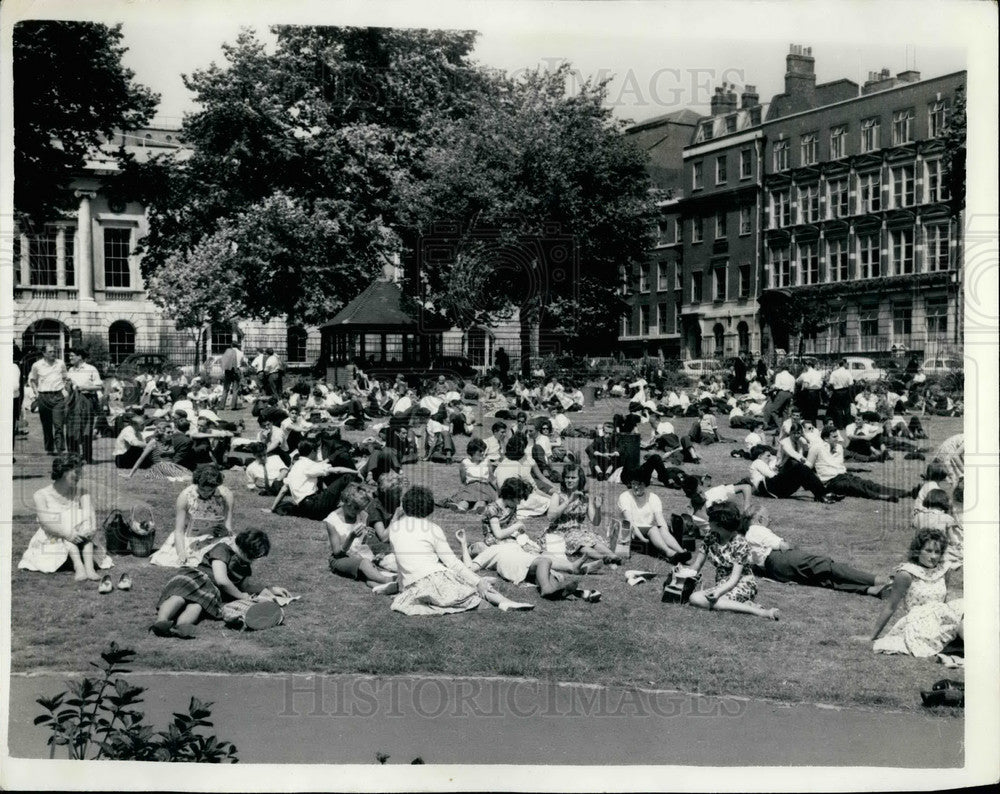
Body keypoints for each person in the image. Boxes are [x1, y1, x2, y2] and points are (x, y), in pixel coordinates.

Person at [388, 486, 533, 615]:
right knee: (474, 593)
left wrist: (402, 588)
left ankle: (500, 599)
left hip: (413, 587)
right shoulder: (432, 529)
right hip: (435, 580)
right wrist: (478, 581)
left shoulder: (394, 528)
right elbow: (453, 563)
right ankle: (504, 601)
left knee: (466, 586)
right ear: (428, 507)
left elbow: (400, 563)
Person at [455, 479, 602, 601]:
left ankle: (571, 574)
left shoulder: (510, 507)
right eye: (518, 499)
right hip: (496, 543)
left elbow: (512, 526)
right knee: (540, 559)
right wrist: (517, 527)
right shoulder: (492, 509)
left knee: (542, 554)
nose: (519, 503)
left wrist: (519, 532)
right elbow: (498, 534)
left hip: (511, 542)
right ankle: (572, 570)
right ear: (510, 496)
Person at [151, 529, 286, 639]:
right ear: (245, 548)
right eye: (253, 556)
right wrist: (241, 596)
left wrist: (268, 589)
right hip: (195, 578)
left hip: (209, 591)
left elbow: (246, 587)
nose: (253, 560)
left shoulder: (245, 566)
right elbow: (221, 580)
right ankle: (161, 622)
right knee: (178, 597)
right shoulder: (222, 550)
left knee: (197, 606)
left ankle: (182, 626)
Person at [870, 527, 963, 658]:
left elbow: (943, 600)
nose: (933, 556)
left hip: (939, 618)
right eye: (928, 551)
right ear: (918, 550)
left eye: (937, 552)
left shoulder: (943, 570)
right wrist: (872, 636)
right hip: (918, 622)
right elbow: (890, 606)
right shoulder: (906, 573)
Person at [743, 513, 888, 596]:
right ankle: (877, 580)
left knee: (821, 580)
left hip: (775, 572)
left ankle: (871, 590)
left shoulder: (746, 539)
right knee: (827, 566)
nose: (771, 520)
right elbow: (783, 546)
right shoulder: (756, 529)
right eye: (768, 517)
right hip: (780, 558)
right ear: (760, 519)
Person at [19, 453, 113, 579]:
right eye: (77, 472)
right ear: (64, 471)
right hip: (53, 537)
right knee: (66, 523)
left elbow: (90, 515)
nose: (80, 476)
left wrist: (88, 530)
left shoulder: (83, 493)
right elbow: (45, 522)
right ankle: (79, 567)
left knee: (79, 521)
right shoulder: (41, 495)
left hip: (82, 538)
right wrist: (68, 534)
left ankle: (89, 569)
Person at [686, 502, 780, 621]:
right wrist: (684, 573)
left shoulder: (740, 543)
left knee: (697, 598)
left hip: (741, 583)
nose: (708, 522)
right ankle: (745, 605)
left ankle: (760, 612)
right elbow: (697, 564)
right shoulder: (710, 536)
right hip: (722, 584)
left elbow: (734, 578)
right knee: (698, 598)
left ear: (719, 524)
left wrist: (718, 592)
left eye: (710, 520)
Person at [150, 463, 234, 567]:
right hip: (190, 537)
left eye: (210, 490)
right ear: (197, 483)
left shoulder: (226, 495)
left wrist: (225, 531)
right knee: (179, 556)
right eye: (202, 489)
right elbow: (179, 530)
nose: (206, 493)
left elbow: (228, 526)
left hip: (215, 536)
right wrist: (181, 553)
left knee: (233, 545)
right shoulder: (186, 496)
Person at [805, 426, 910, 502]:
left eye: (837, 436)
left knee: (868, 483)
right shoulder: (816, 448)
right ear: (825, 439)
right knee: (857, 487)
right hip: (831, 482)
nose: (837, 439)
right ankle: (882, 497)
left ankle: (905, 493)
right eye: (834, 437)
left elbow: (846, 460)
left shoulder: (839, 448)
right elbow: (807, 467)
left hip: (844, 476)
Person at [325, 482, 398, 590]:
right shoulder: (332, 520)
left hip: (357, 555)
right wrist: (351, 537)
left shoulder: (362, 515)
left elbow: (362, 541)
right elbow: (337, 552)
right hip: (340, 559)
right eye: (356, 508)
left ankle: (381, 588)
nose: (358, 512)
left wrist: (369, 542)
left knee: (369, 571)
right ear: (346, 502)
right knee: (364, 563)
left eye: (361, 508)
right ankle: (389, 580)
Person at [545, 464, 619, 564]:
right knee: (581, 544)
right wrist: (569, 500)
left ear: (580, 479)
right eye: (567, 477)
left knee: (593, 540)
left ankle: (613, 556)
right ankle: (603, 558)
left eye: (573, 477)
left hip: (578, 530)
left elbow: (595, 522)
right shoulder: (558, 495)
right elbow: (551, 517)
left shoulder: (585, 497)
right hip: (560, 532)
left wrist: (598, 508)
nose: (569, 480)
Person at [616, 473, 690, 562]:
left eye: (639, 484)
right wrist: (642, 539)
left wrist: (665, 531)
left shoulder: (653, 497)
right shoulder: (625, 496)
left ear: (645, 484)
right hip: (630, 530)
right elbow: (629, 521)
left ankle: (681, 552)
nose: (636, 487)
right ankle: (669, 553)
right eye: (633, 484)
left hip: (648, 529)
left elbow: (660, 519)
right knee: (654, 529)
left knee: (662, 529)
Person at [27, 343, 68, 454]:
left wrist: (64, 389)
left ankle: (60, 449)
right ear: (44, 353)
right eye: (50, 352)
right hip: (43, 397)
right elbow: (32, 379)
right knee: (46, 425)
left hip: (58, 396)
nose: (53, 354)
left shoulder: (60, 363)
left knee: (58, 424)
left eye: (54, 351)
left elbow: (65, 377)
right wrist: (36, 393)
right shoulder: (37, 365)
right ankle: (49, 448)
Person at [442, 438, 497, 512]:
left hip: (484, 486)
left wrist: (498, 491)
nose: (482, 453)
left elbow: (492, 479)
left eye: (483, 450)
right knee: (465, 499)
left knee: (482, 500)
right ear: (473, 452)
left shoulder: (486, 461)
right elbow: (463, 480)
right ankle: (461, 508)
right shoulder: (465, 462)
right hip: (471, 486)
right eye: (480, 451)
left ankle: (476, 509)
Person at [826, 359, 854, 429]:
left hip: (837, 392)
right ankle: (848, 425)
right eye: (846, 364)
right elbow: (851, 383)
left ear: (839, 365)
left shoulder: (834, 373)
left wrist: (834, 388)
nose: (847, 365)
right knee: (847, 409)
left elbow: (831, 383)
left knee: (838, 409)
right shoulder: (848, 372)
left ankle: (840, 425)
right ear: (844, 364)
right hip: (845, 391)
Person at [218, 341, 244, 411]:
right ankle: (233, 406)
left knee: (226, 389)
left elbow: (223, 361)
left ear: (232, 345)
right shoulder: (241, 353)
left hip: (228, 371)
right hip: (236, 370)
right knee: (235, 389)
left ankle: (221, 405)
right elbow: (241, 362)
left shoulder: (228, 352)